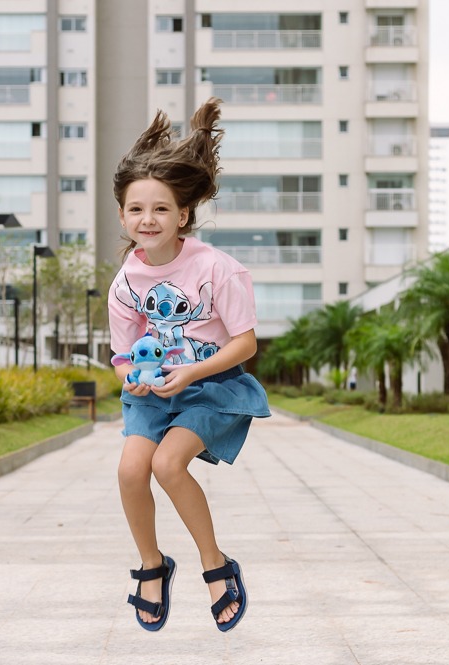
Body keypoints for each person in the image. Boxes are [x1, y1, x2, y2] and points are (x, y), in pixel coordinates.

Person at [107, 98, 270, 633]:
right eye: (136, 209)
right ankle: (152, 565)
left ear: (182, 215)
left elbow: (245, 344)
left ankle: (215, 564)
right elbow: (122, 354)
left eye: (160, 209)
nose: (147, 219)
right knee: (130, 470)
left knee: (167, 464)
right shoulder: (125, 283)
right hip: (153, 393)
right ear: (122, 216)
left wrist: (192, 373)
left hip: (209, 386)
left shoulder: (218, 269)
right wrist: (129, 379)